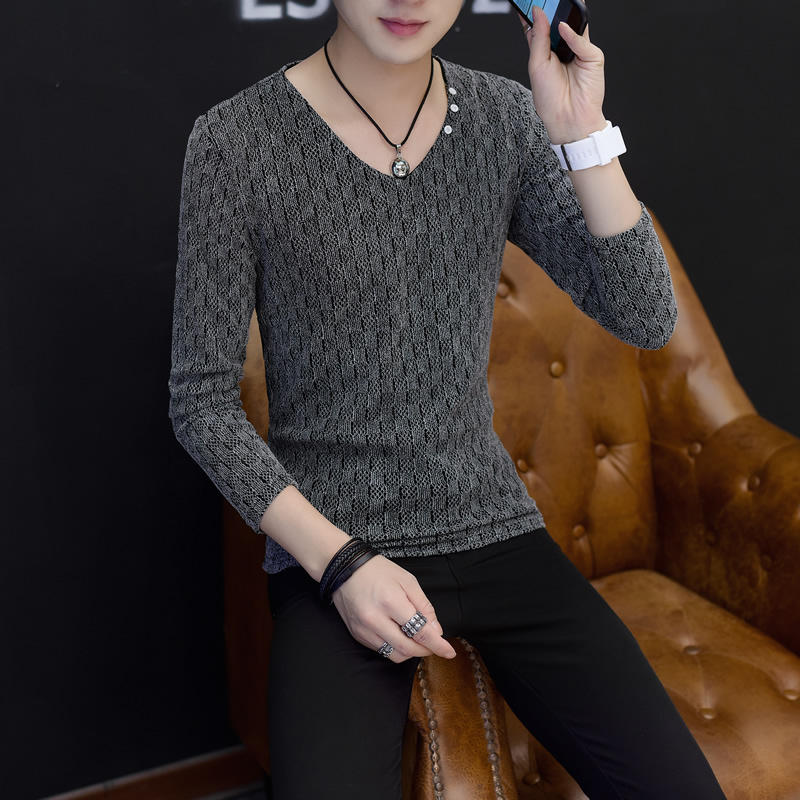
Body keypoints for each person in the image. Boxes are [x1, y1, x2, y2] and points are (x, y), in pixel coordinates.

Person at [168, 2, 728, 797]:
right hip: (335, 549)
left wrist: (581, 133)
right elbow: (201, 403)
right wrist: (341, 564)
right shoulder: (235, 141)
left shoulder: (503, 118)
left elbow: (643, 315)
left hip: (498, 532)